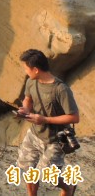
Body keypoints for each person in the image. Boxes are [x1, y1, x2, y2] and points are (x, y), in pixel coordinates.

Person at [16, 49, 79, 196]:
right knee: (28, 169)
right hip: (34, 135)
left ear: (36, 69)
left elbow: (74, 117)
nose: (25, 71)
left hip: (55, 139)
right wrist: (25, 109)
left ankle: (68, 186)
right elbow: (28, 99)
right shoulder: (31, 82)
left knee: (48, 175)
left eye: (26, 68)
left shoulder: (61, 89)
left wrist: (44, 119)